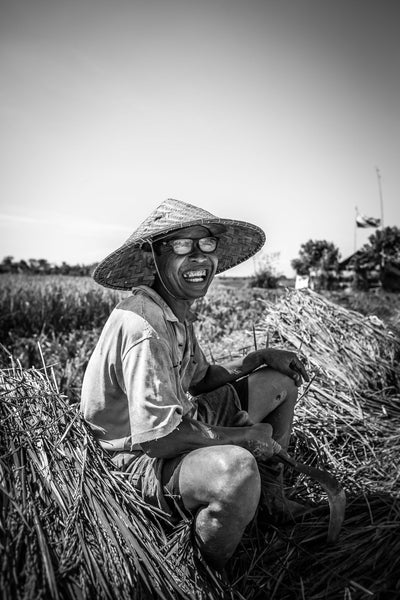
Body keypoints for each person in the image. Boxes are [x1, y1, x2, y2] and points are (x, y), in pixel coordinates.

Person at [81, 198, 309, 570]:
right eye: (183, 245)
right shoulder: (145, 326)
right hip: (135, 460)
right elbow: (157, 438)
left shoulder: (174, 311)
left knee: (278, 382)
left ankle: (272, 500)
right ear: (153, 257)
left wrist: (257, 360)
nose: (199, 256)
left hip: (177, 422)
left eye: (207, 244)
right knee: (236, 472)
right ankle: (203, 572)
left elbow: (201, 379)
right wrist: (244, 437)